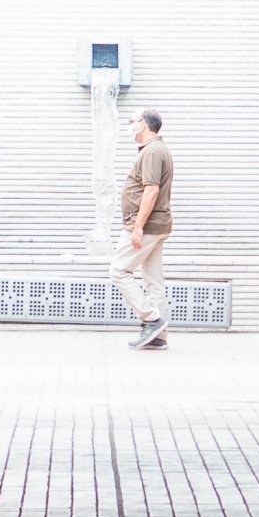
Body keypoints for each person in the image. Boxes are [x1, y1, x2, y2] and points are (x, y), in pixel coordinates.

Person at [112, 109, 174, 349]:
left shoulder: (152, 151)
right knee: (153, 280)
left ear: (145, 124)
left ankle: (152, 320)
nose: (130, 125)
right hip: (157, 225)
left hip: (146, 226)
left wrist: (137, 227)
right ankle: (158, 337)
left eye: (134, 121)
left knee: (118, 271)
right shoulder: (156, 150)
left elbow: (151, 190)